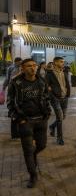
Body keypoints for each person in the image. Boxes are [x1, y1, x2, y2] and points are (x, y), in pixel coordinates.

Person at [7, 58, 51, 188]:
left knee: (42, 145)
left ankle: (33, 156)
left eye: (34, 65)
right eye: (29, 66)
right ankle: (33, 175)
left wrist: (47, 113)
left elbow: (46, 97)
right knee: (27, 150)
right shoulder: (16, 82)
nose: (33, 68)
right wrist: (19, 118)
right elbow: (10, 103)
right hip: (25, 120)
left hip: (41, 119)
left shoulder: (41, 81)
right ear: (23, 68)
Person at [46, 57, 70, 145]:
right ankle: (59, 138)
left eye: (63, 62)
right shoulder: (49, 74)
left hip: (65, 98)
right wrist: (52, 95)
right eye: (61, 62)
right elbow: (47, 86)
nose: (63, 63)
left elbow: (66, 84)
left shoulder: (64, 72)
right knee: (60, 118)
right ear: (55, 63)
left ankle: (52, 126)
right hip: (55, 98)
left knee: (62, 117)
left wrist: (68, 93)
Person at [2, 57, 22, 140]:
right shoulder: (10, 68)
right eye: (19, 62)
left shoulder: (22, 68)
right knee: (14, 112)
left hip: (21, 90)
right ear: (16, 62)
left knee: (20, 112)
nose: (20, 64)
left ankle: (19, 133)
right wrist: (4, 87)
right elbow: (7, 78)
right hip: (12, 89)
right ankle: (14, 135)